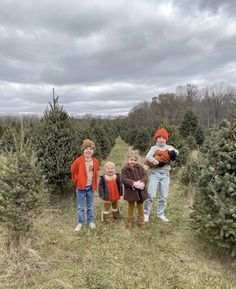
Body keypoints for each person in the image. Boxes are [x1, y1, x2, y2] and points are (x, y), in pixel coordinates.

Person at [144, 128, 178, 223]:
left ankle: (161, 214)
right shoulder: (154, 148)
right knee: (151, 195)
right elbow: (148, 157)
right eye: (159, 137)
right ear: (156, 139)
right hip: (155, 174)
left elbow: (174, 158)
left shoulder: (170, 148)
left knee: (163, 196)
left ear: (166, 139)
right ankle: (146, 213)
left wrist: (172, 157)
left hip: (165, 175)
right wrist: (157, 162)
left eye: (163, 137)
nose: (161, 139)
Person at [70, 139, 99, 231]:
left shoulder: (95, 161)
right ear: (83, 150)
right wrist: (76, 179)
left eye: (91, 149)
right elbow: (72, 170)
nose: (89, 150)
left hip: (90, 187)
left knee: (90, 206)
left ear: (93, 151)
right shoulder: (78, 160)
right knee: (80, 207)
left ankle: (90, 221)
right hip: (81, 188)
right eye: (86, 148)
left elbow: (95, 173)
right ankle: (80, 222)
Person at [121, 150, 148, 229]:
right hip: (131, 191)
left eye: (135, 160)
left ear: (137, 160)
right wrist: (133, 183)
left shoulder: (140, 168)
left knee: (140, 205)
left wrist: (142, 182)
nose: (133, 162)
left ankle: (141, 221)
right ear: (128, 159)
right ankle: (130, 221)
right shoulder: (125, 169)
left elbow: (145, 175)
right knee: (131, 206)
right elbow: (123, 179)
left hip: (140, 191)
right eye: (131, 160)